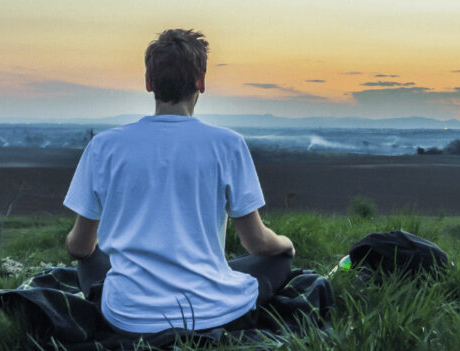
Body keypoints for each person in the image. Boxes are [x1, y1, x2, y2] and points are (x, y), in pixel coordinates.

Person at [63, 28, 295, 335]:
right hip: (212, 312)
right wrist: (286, 245)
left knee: (90, 257)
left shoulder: (104, 146)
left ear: (148, 83)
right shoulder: (228, 144)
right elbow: (256, 243)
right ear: (201, 82)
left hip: (128, 317)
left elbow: (79, 246)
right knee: (277, 261)